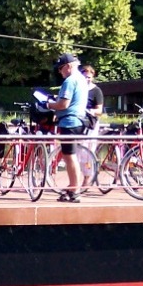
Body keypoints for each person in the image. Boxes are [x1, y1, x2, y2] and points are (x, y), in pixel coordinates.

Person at [46, 52, 89, 202]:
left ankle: (74, 190)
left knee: (70, 156)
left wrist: (48, 104)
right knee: (70, 155)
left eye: (61, 68)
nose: (60, 71)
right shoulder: (82, 79)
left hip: (70, 122)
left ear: (69, 66)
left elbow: (63, 104)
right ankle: (72, 187)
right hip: (78, 121)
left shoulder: (70, 81)